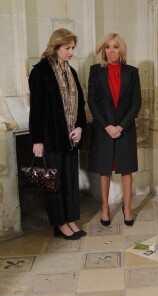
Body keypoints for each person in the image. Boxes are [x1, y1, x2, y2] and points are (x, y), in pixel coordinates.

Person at [28, 28, 87, 240]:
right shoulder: (41, 72)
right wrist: (37, 140)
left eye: (73, 48)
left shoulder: (70, 72)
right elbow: (36, 108)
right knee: (55, 182)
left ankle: (70, 218)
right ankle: (60, 223)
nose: (71, 52)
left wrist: (80, 127)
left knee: (70, 180)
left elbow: (80, 103)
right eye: (67, 48)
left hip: (71, 138)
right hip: (51, 138)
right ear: (56, 47)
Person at [88, 33, 142, 226]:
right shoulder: (95, 71)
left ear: (121, 50)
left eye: (115, 47)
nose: (111, 51)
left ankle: (127, 208)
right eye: (108, 47)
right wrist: (107, 126)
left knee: (126, 169)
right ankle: (105, 207)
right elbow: (92, 101)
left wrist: (121, 126)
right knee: (105, 170)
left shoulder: (132, 72)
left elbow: (136, 103)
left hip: (125, 129)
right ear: (104, 50)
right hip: (104, 129)